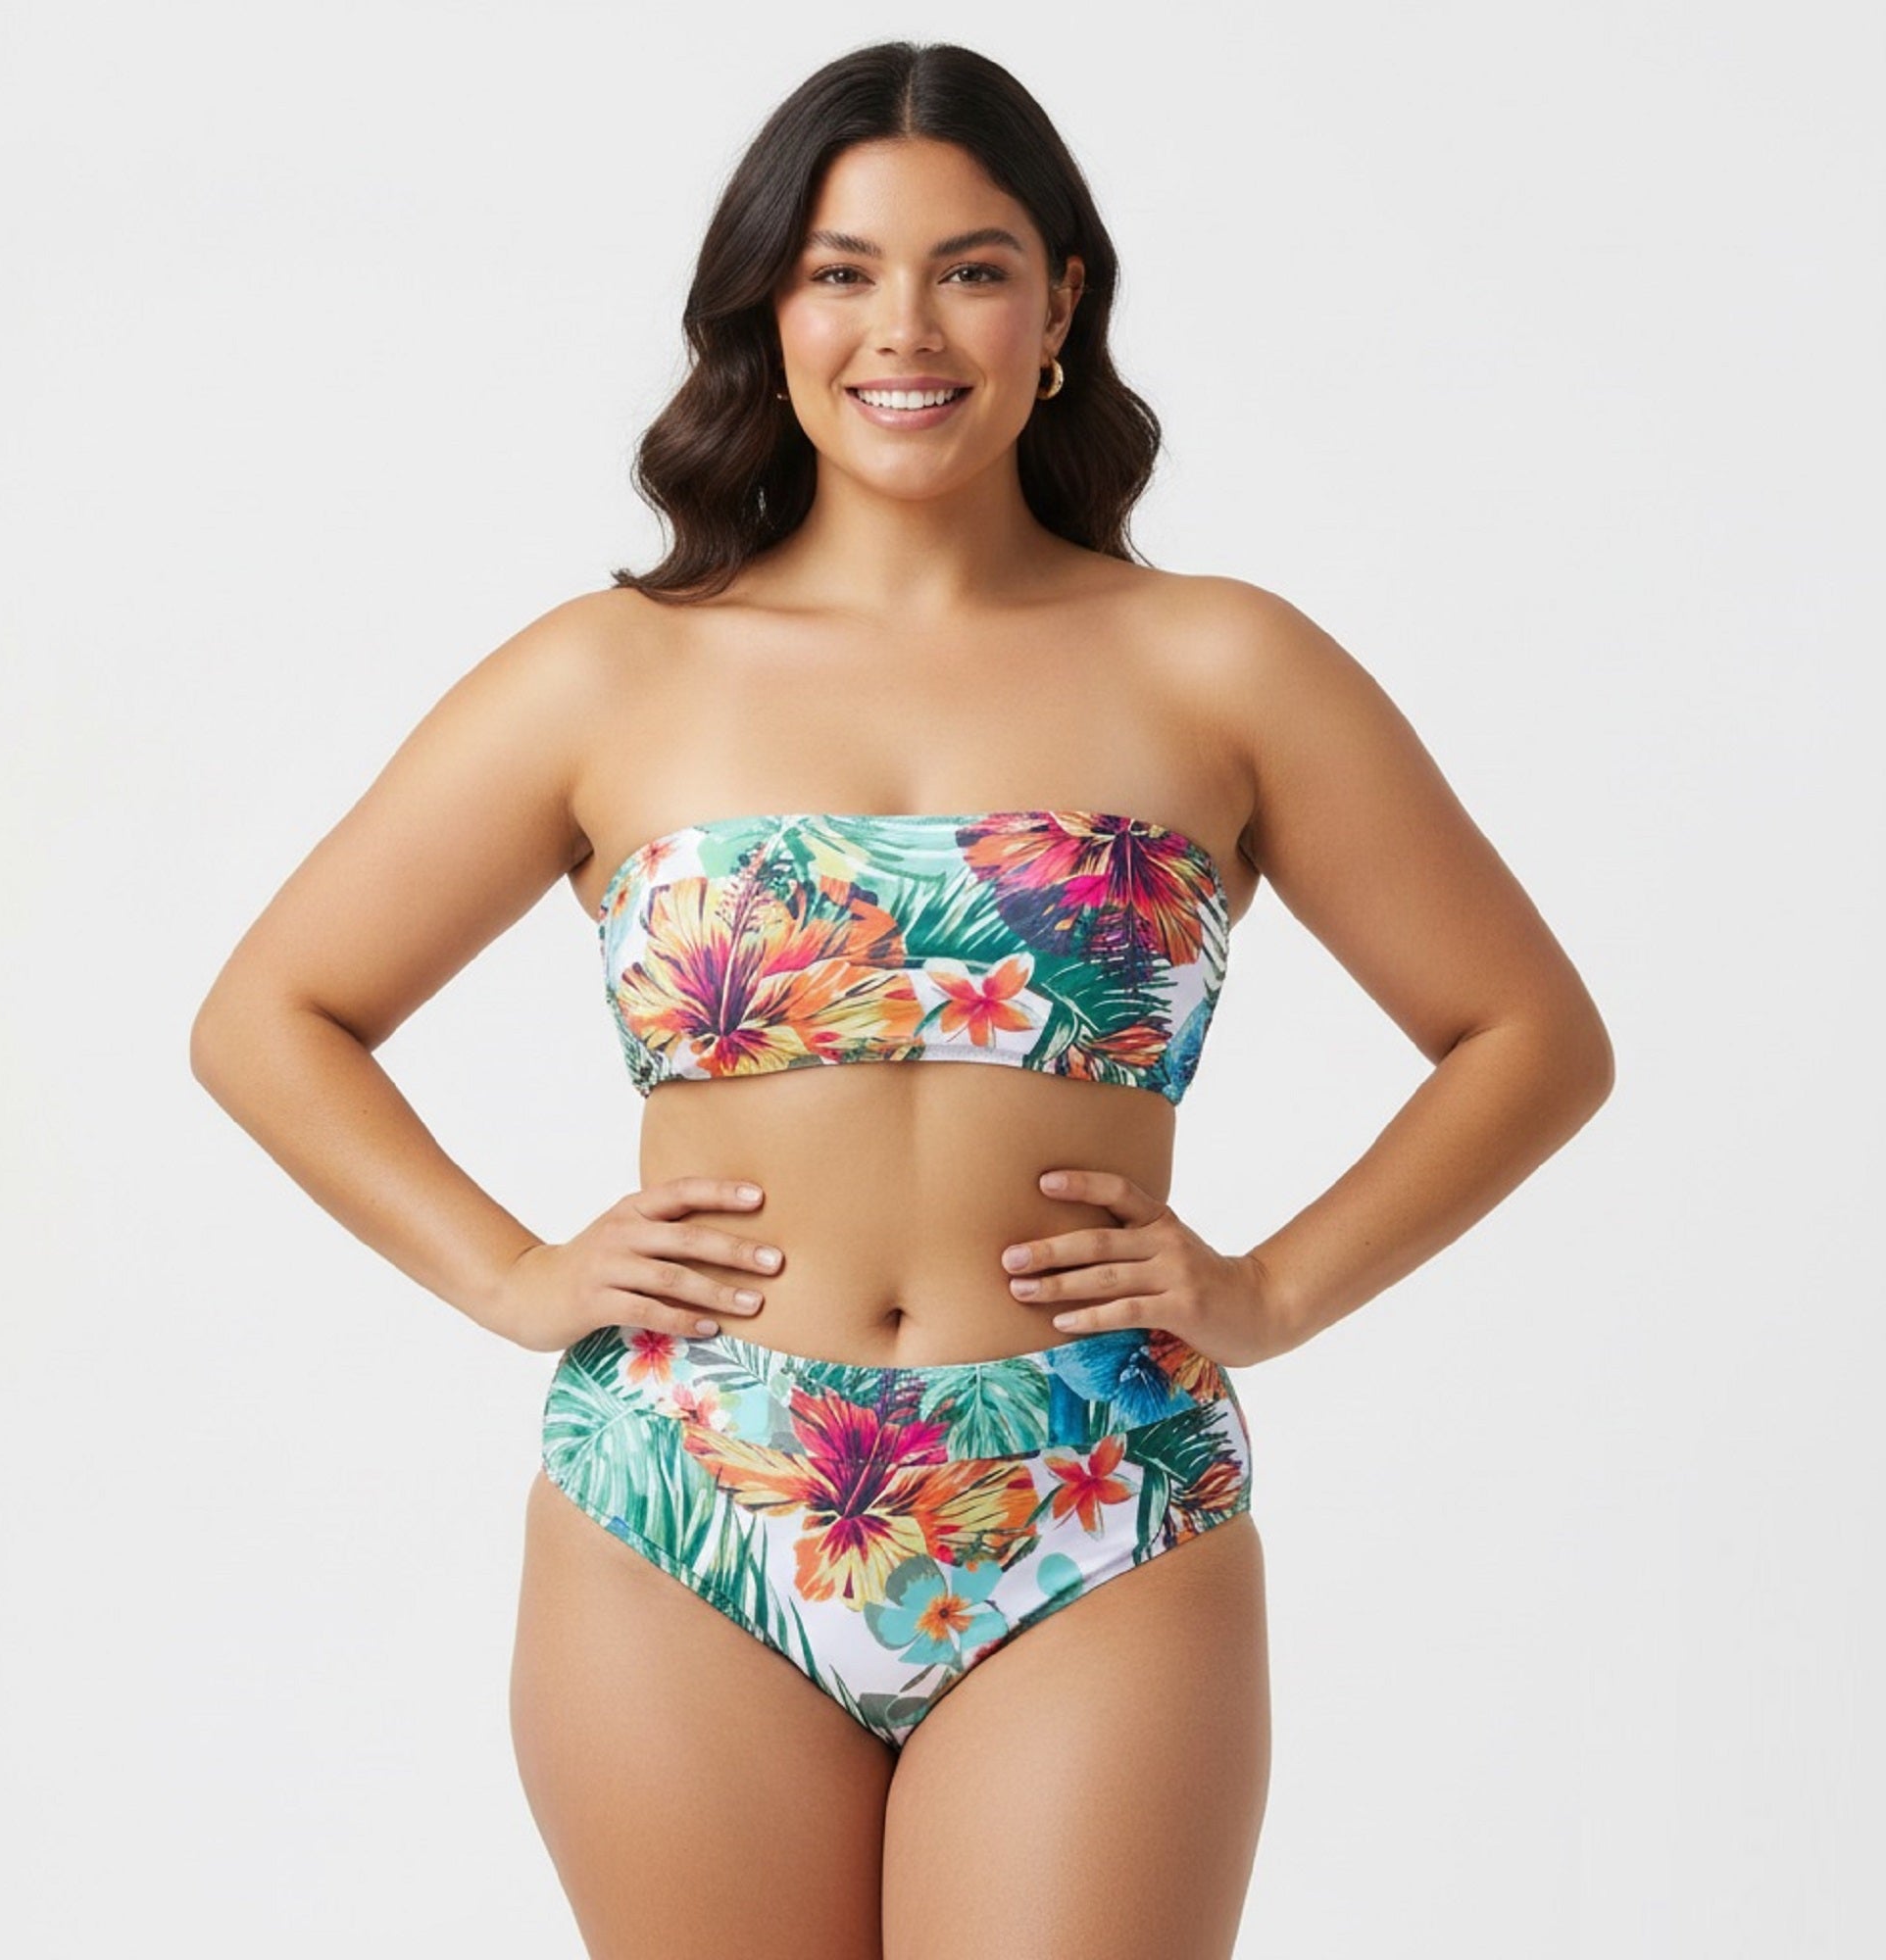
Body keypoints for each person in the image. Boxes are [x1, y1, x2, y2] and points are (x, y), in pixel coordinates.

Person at [190, 38, 1614, 1960]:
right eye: (841, 270)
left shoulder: (1224, 664)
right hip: (688, 1500)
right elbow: (273, 1013)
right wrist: (513, 1272)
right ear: (768, 310)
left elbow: (1528, 1036)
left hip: (1099, 1496)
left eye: (972, 267)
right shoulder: (611, 672)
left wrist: (1273, 1292)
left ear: (1060, 308)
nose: (905, 328)